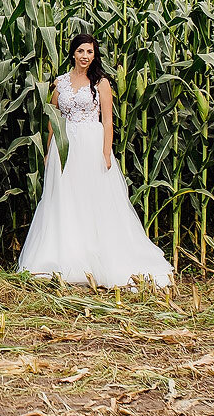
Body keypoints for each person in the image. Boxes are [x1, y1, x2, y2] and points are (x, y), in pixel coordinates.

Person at [17, 33, 174, 289]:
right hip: (64, 146)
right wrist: (48, 151)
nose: (85, 57)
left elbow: (108, 120)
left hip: (90, 146)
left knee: (91, 200)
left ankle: (95, 257)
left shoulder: (100, 83)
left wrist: (106, 152)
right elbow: (52, 120)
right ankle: (64, 258)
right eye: (81, 51)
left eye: (89, 52)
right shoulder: (61, 83)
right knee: (64, 200)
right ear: (73, 53)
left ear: (94, 54)